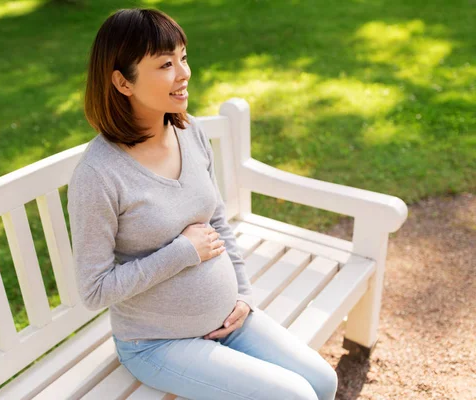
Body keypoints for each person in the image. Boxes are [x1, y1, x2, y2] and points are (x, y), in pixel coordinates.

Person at [67, 7, 338, 400]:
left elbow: (216, 221)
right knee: (294, 396)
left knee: (322, 382)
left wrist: (243, 296)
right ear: (123, 82)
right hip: (157, 343)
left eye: (183, 57)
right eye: (165, 64)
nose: (184, 73)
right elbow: (94, 290)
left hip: (229, 319)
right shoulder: (99, 174)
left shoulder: (188, 130)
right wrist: (183, 253)